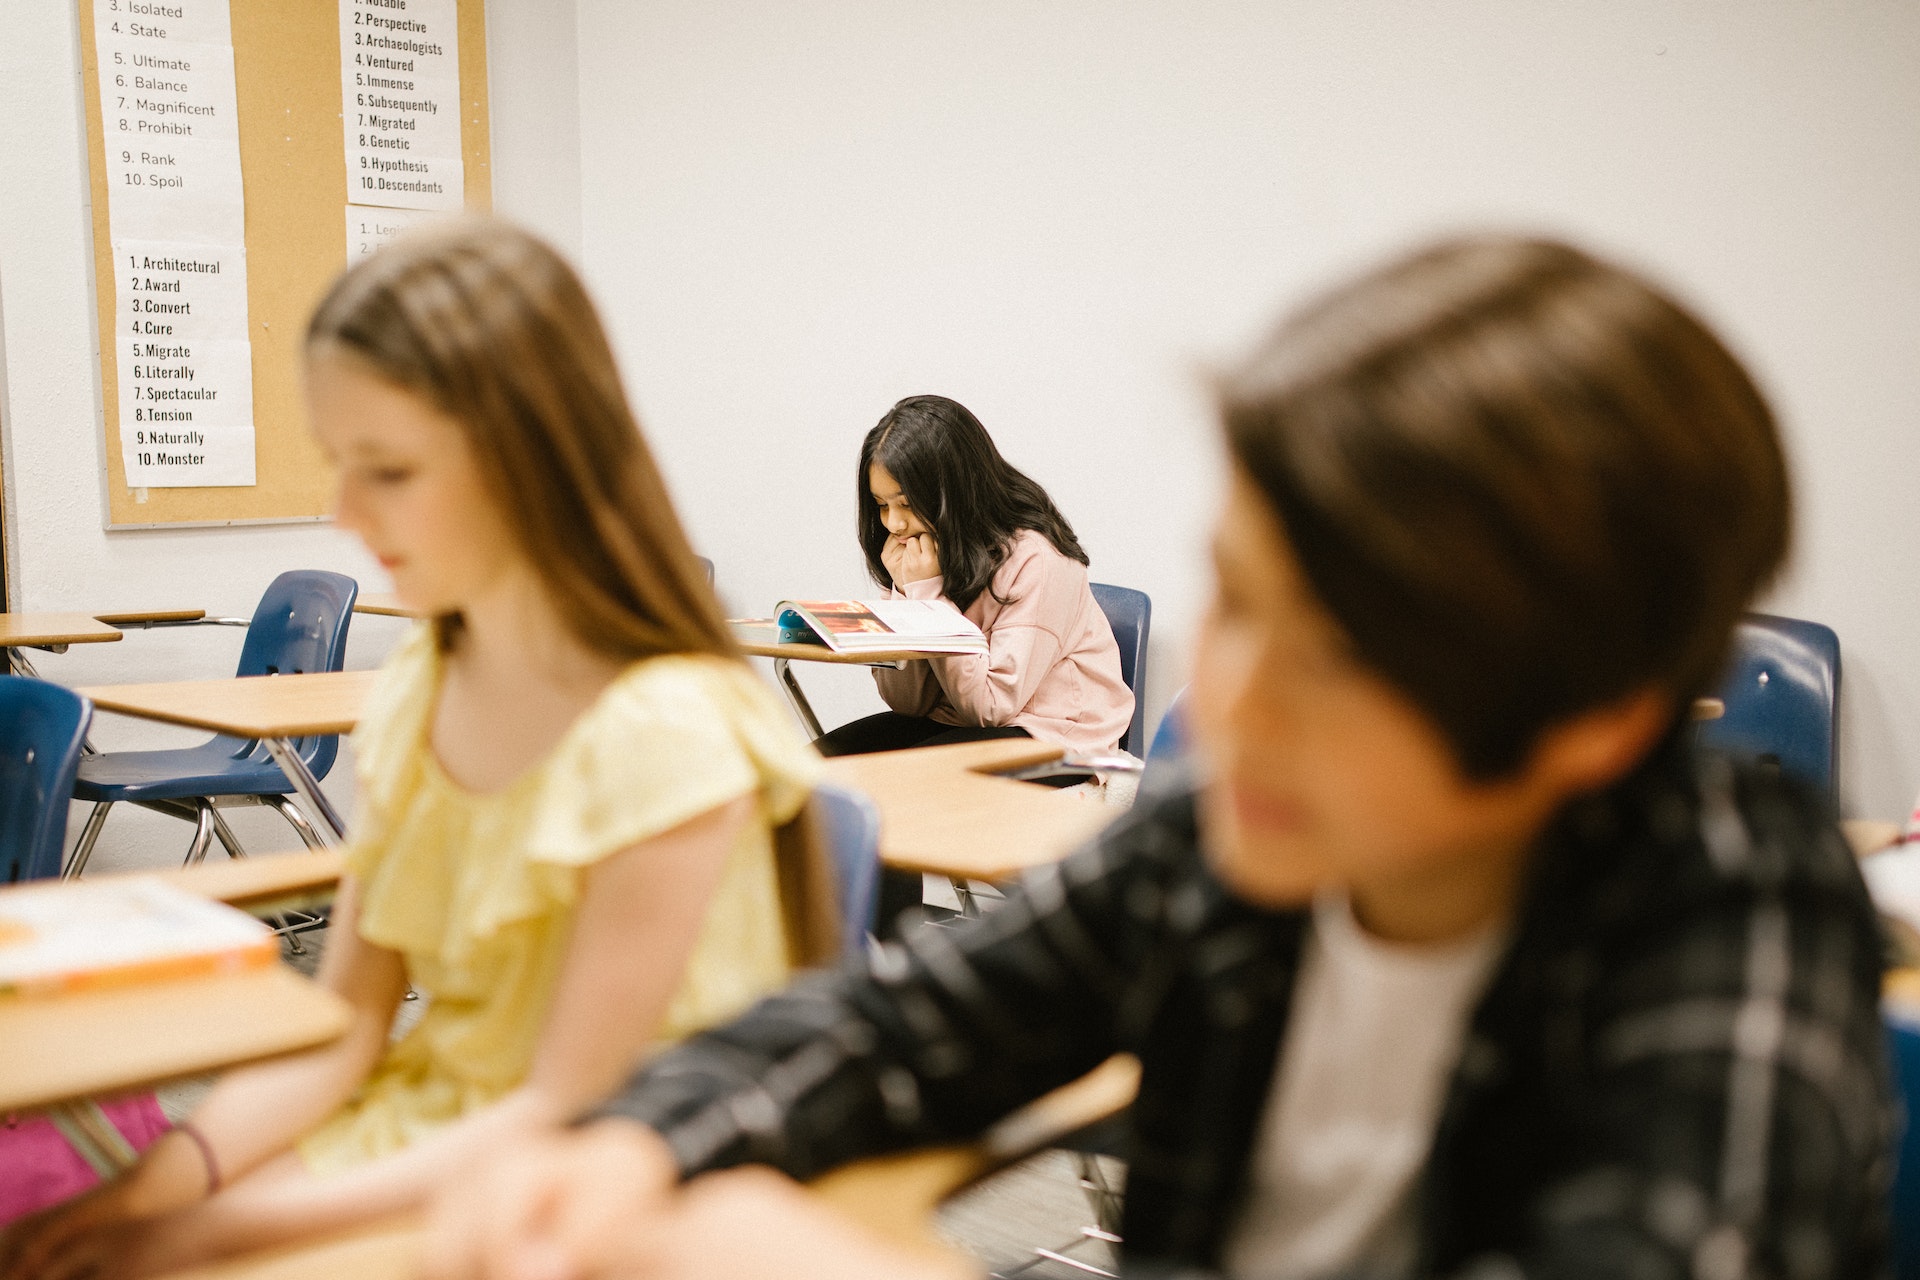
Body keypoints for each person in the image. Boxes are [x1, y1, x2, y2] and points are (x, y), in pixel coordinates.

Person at [423, 235, 1890, 1280]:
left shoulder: (1735, 914)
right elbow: (898, 1025)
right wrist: (630, 1145)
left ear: (1598, 721)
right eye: (1230, 597)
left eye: (1334, 654)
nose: (1225, 704)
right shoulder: (1230, 835)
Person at [0, 221, 836, 1280]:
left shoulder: (667, 729)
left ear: (532, 461)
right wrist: (162, 1182)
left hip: (589, 1191)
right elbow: (347, 1022)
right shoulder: (422, 690)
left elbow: (565, 1106)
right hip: (428, 1141)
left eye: (387, 469)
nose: (344, 513)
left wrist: (214, 1226)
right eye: (340, 465)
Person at [812, 394, 1134, 760]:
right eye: (882, 506)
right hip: (957, 722)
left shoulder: (1039, 560)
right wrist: (907, 593)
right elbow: (908, 703)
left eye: (906, 503)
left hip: (1052, 733)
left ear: (955, 494)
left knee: (901, 781)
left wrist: (927, 600)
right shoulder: (926, 555)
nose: (894, 524)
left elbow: (992, 707)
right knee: (812, 767)